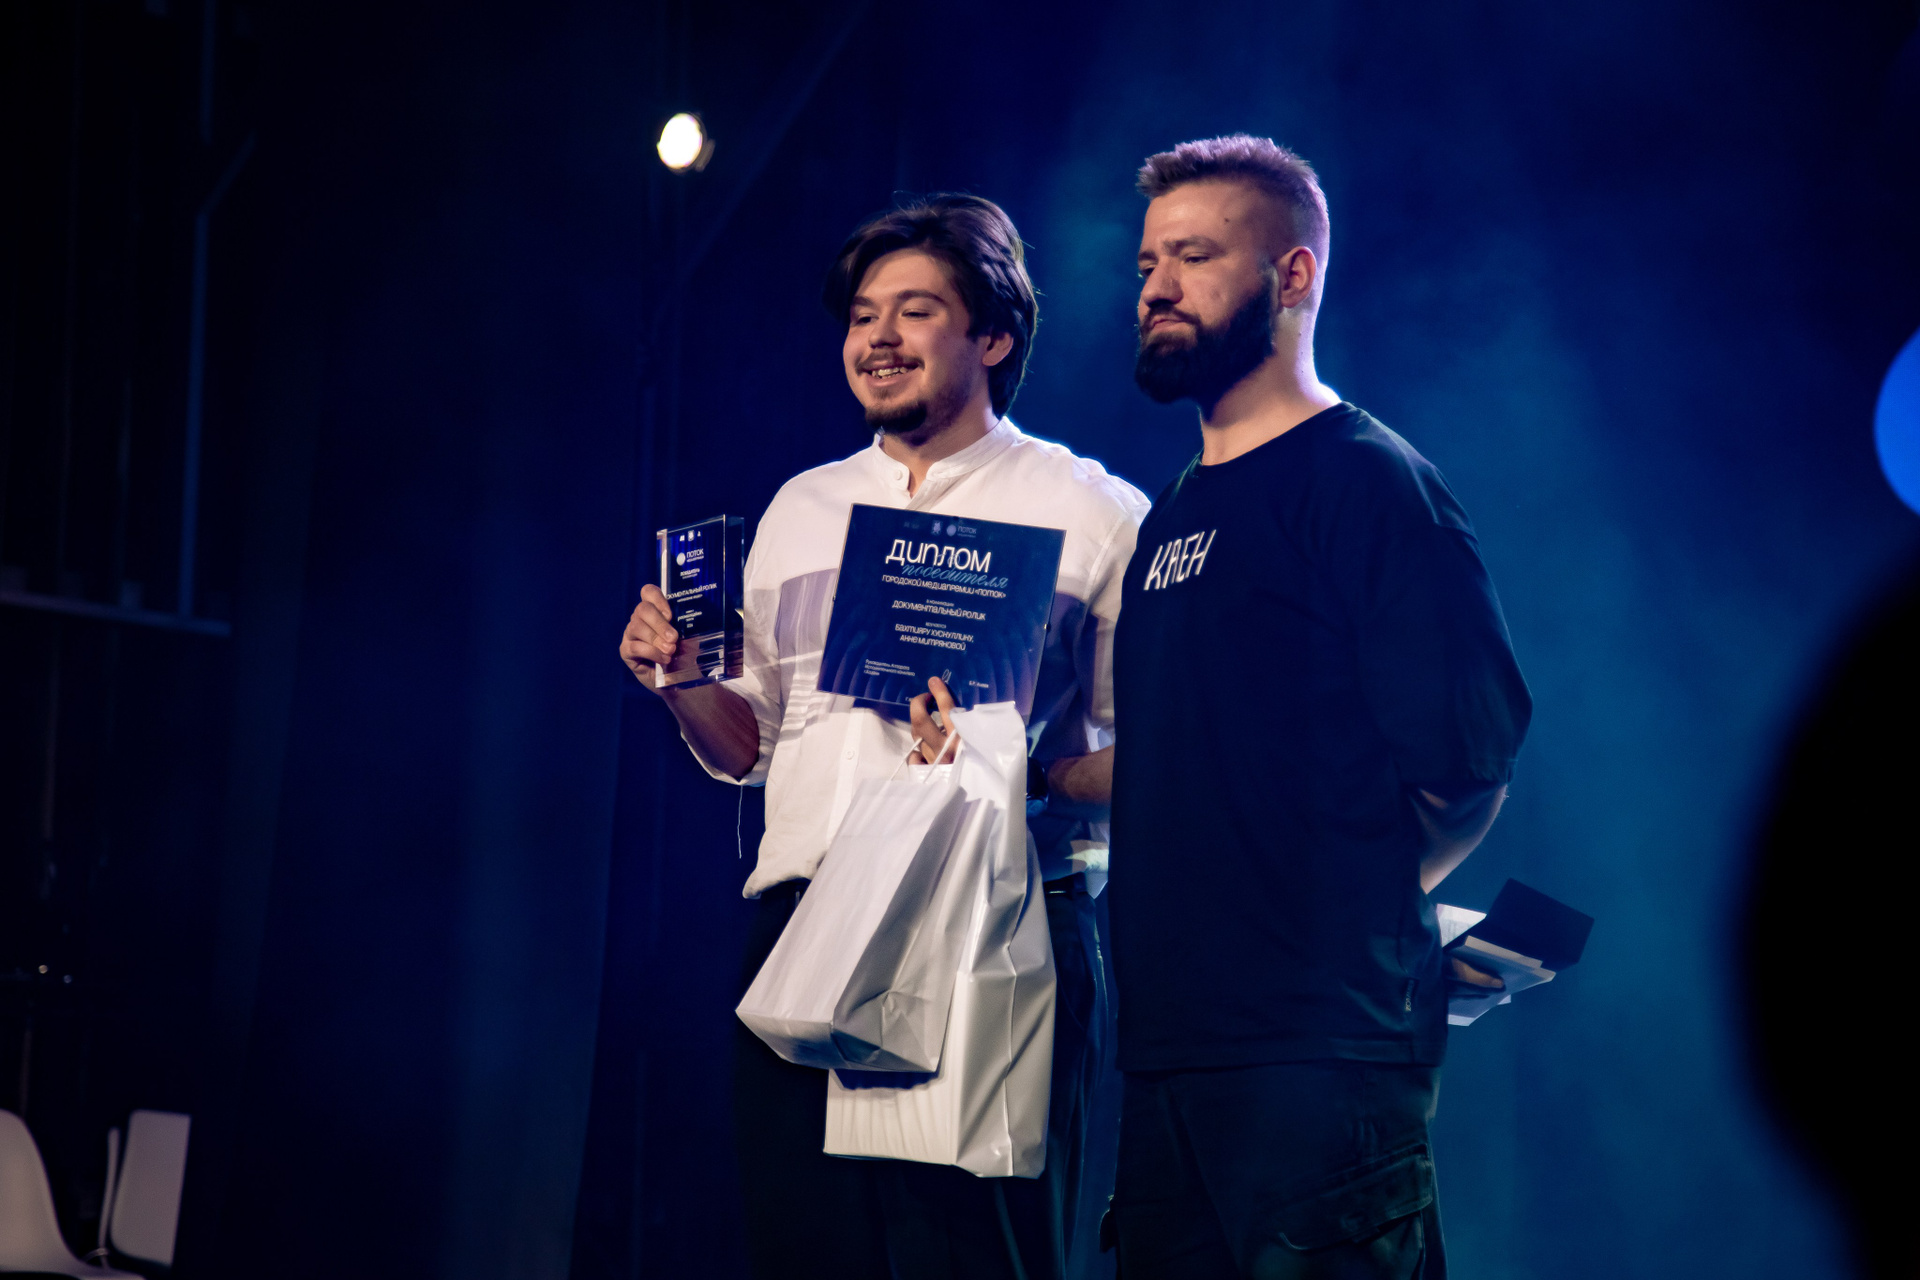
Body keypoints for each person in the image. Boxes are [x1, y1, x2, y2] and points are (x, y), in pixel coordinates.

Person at [618, 194, 1148, 1280]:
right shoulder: (801, 508)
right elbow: (752, 746)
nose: (879, 339)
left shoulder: (1095, 511)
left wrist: (1026, 775)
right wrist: (679, 683)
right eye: (863, 316)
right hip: (808, 920)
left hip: (997, 921)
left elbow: (1159, 754)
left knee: (981, 1260)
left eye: (916, 311)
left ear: (993, 336)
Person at [1105, 135, 1533, 1278]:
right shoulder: (1169, 516)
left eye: (1194, 256)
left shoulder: (1369, 482)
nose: (1155, 286)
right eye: (1147, 262)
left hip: (1319, 1057)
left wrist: (1346, 916)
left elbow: (1465, 765)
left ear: (1292, 274)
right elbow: (1201, 760)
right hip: (1168, 1053)